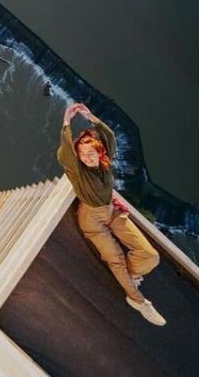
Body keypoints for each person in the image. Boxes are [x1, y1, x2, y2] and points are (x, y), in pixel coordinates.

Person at [57, 102, 166, 326]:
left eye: (91, 152)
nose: (86, 157)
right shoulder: (79, 172)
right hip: (92, 219)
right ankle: (138, 300)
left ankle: (131, 275)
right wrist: (66, 121)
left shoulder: (105, 165)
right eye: (82, 154)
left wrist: (92, 118)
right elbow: (66, 153)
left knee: (150, 255)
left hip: (112, 209)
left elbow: (110, 137)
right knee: (115, 260)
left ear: (99, 152)